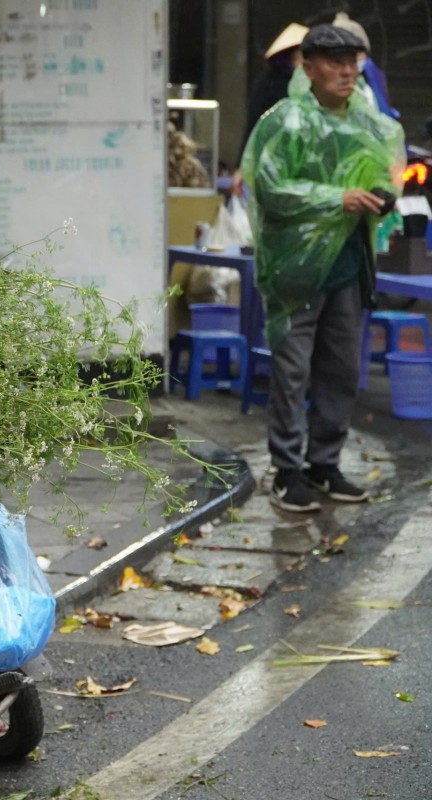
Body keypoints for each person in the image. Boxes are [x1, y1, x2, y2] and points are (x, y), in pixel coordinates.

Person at [241, 25, 404, 513]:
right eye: (334, 62)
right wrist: (337, 198)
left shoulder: (370, 124)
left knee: (340, 370)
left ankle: (325, 465)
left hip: (350, 267)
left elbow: (380, 175)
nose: (346, 70)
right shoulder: (285, 122)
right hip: (295, 271)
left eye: (352, 61)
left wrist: (381, 196)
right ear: (306, 67)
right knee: (292, 372)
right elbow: (270, 189)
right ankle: (287, 470)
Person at [230, 22, 308, 198]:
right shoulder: (267, 84)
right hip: (271, 160)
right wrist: (240, 168)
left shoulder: (311, 86)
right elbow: (253, 123)